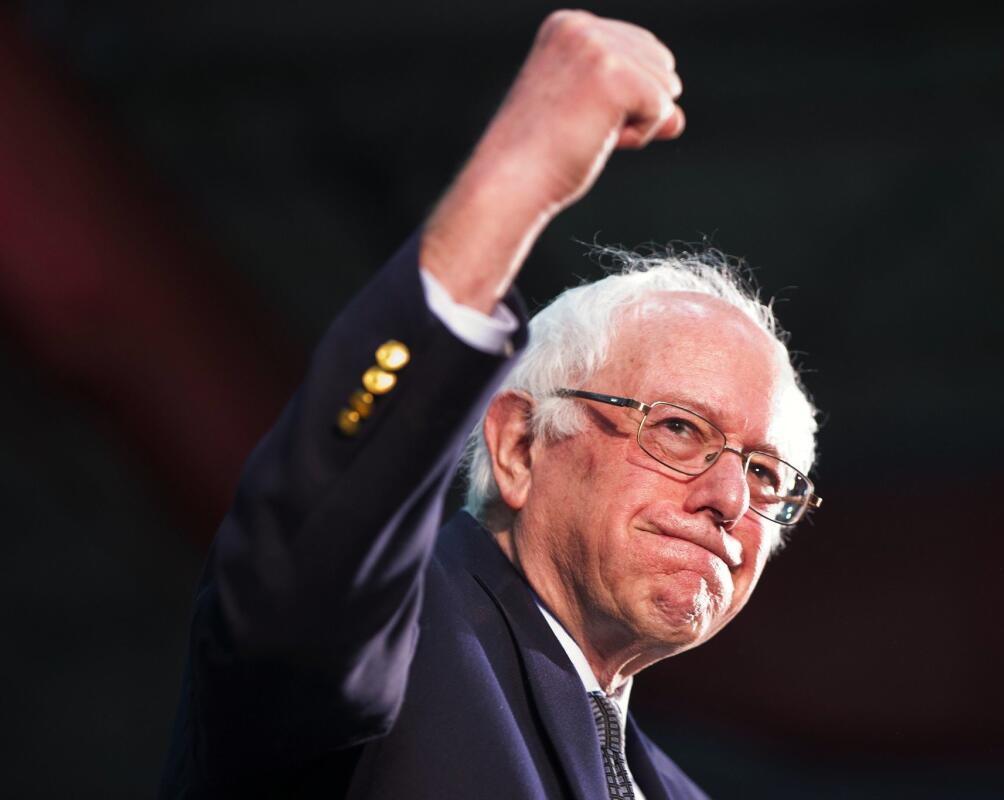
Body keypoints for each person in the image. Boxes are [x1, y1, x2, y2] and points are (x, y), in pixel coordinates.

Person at [160, 10, 820, 799]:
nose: (728, 499)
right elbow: (317, 528)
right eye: (678, 429)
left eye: (765, 473)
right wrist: (521, 169)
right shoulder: (393, 644)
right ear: (517, 446)